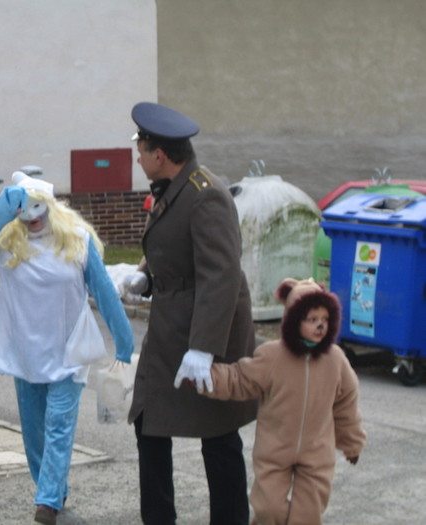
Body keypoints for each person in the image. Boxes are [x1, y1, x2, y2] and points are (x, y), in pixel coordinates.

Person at [0, 171, 134, 525]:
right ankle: (53, 489)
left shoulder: (77, 242)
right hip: (26, 356)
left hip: (70, 354)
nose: (33, 217)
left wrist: (124, 340)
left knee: (58, 425)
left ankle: (48, 501)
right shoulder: (5, 247)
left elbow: (103, 291)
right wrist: (4, 206)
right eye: (24, 210)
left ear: (52, 206)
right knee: (35, 434)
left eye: (38, 207)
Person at [123, 102, 257, 525]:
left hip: (206, 332)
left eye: (140, 150)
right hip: (170, 331)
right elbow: (176, 245)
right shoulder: (175, 187)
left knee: (218, 436)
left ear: (159, 154)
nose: (138, 157)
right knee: (148, 424)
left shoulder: (205, 194)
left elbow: (221, 276)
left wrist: (204, 349)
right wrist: (146, 276)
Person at [191, 277, 367, 524]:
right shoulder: (273, 355)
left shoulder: (335, 359)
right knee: (268, 510)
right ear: (294, 321)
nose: (320, 325)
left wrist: (352, 443)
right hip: (274, 450)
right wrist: (206, 378)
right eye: (312, 319)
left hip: (317, 453)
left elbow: (347, 404)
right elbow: (240, 379)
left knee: (306, 515)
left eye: (325, 319)